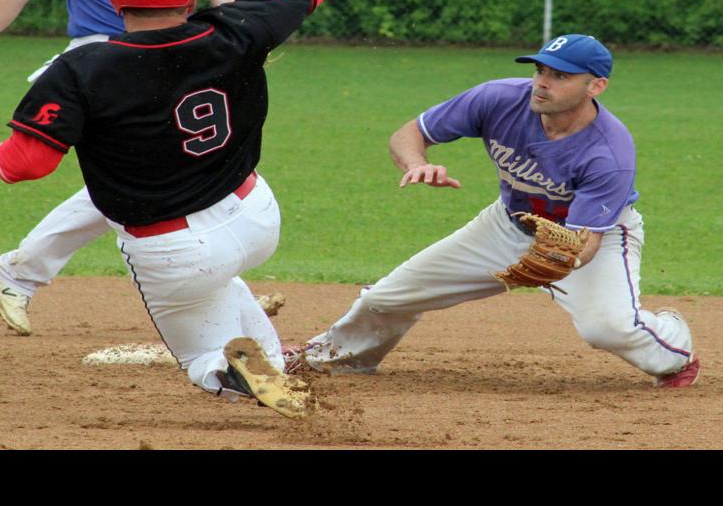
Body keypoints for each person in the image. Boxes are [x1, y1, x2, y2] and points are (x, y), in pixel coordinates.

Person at [0, 0, 331, 419]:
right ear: (189, 1)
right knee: (220, 282)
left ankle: (228, 373)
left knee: (202, 356)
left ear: (116, 1)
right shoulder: (236, 31)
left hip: (174, 251)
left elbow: (25, 164)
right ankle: (276, 370)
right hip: (254, 218)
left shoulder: (80, 69)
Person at [287, 34, 700, 388]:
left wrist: (553, 264)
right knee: (388, 297)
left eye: (560, 76)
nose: (542, 83)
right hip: (506, 226)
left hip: (594, 239)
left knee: (606, 328)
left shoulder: (608, 152)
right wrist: (417, 164)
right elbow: (408, 134)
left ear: (596, 86)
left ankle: (675, 350)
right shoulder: (498, 98)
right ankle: (337, 356)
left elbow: (586, 242)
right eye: (541, 70)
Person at [0, 0, 245, 336]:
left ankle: (18, 271)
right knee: (152, 178)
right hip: (95, 68)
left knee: (142, 180)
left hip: (170, 59)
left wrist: (237, 49)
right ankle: (224, 292)